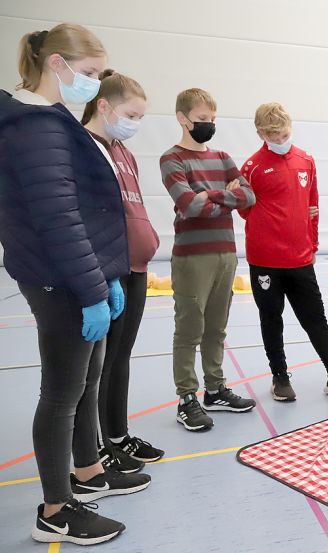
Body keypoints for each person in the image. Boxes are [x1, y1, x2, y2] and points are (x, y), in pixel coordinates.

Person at [0, 23, 150, 546]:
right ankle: (55, 509)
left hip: (79, 272)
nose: (92, 84)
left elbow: (82, 211)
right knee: (62, 394)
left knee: (87, 381)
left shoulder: (51, 120)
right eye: (87, 73)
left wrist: (103, 275)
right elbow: (58, 219)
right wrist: (91, 288)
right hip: (58, 279)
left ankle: (87, 471)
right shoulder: (35, 127)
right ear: (56, 65)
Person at [240, 103, 328, 401]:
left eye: (284, 134)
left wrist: (312, 245)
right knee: (271, 318)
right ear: (260, 133)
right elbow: (244, 209)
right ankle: (279, 376)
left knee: (316, 317)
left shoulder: (305, 160)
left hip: (300, 257)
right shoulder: (251, 167)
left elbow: (312, 207)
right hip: (264, 259)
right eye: (273, 136)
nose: (280, 140)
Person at [81, 70, 164, 471]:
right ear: (104, 106)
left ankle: (118, 435)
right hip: (108, 270)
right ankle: (94, 448)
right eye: (131, 114)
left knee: (121, 357)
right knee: (99, 364)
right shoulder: (85, 147)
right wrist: (106, 270)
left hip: (137, 267)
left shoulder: (124, 153)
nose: (135, 124)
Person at [160, 88, 257, 431]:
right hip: (192, 257)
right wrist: (225, 194)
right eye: (202, 120)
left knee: (216, 328)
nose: (209, 125)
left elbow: (248, 196)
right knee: (190, 329)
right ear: (182, 118)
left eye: (213, 120)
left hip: (226, 253)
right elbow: (188, 204)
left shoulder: (223, 157)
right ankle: (187, 397)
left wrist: (212, 194)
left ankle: (215, 388)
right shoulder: (172, 158)